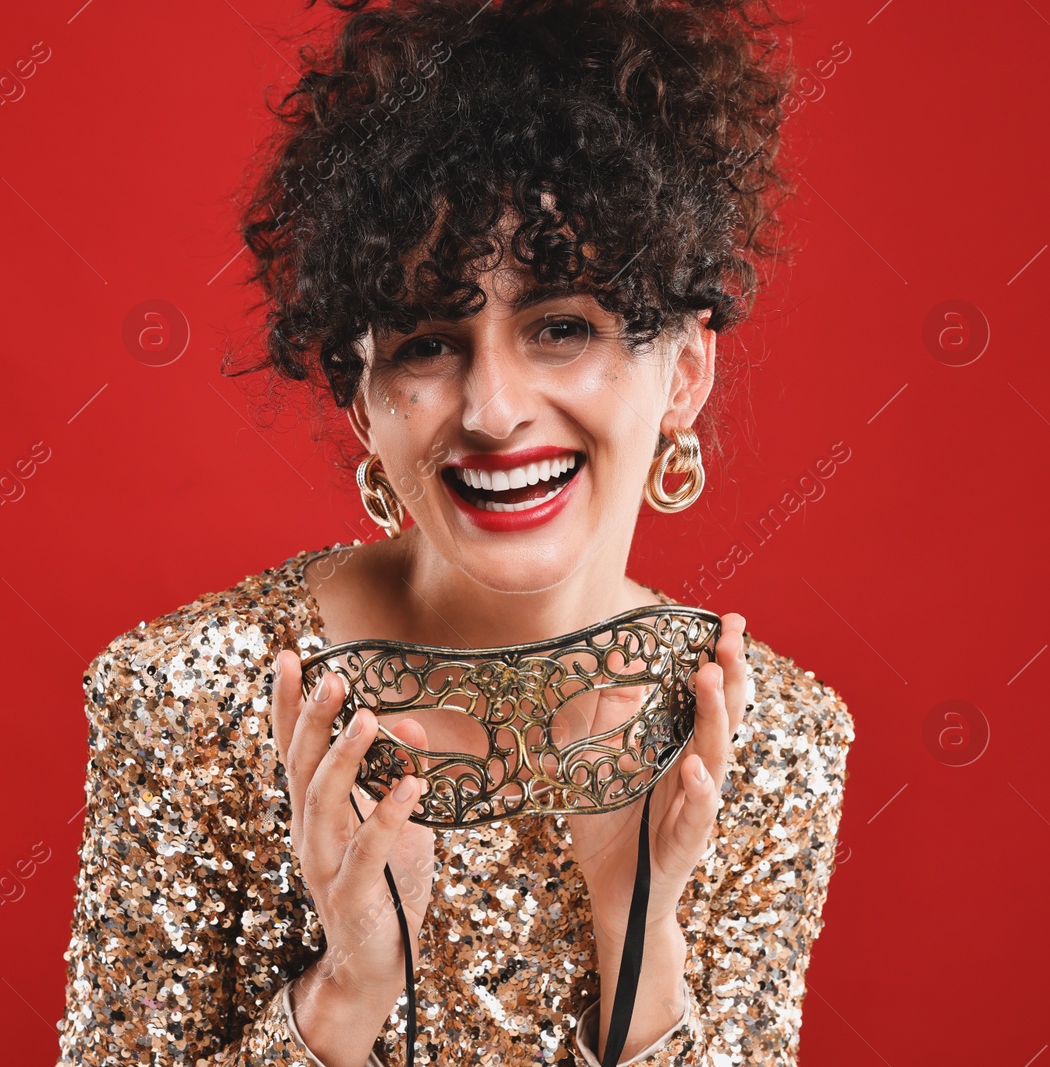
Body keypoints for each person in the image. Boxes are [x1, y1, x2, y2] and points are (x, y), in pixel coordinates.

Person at [56, 1, 853, 1063]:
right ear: (360, 397)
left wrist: (640, 950)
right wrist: (342, 992)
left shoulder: (769, 741)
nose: (490, 408)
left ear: (686, 371)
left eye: (562, 326)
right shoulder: (191, 701)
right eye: (429, 342)